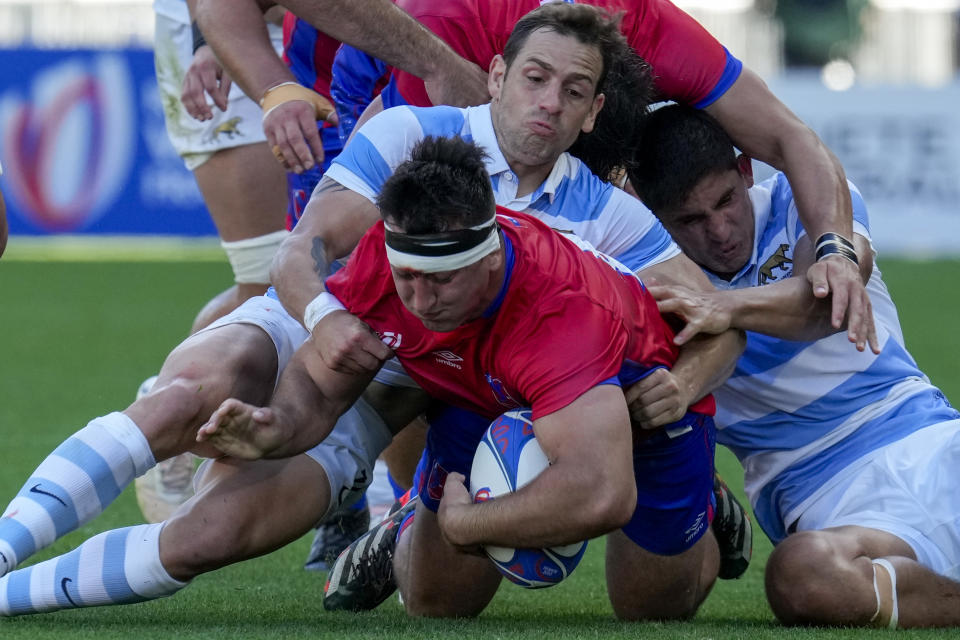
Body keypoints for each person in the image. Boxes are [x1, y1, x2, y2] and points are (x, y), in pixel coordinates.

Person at [0, 5, 743, 617]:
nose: (548, 101)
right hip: (326, 325)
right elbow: (299, 256)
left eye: (573, 91)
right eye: (536, 78)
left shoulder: (604, 216)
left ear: (591, 114)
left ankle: (9, 600)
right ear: (497, 76)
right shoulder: (413, 135)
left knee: (215, 535)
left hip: (409, 397)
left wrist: (682, 384)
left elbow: (714, 319)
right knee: (192, 392)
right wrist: (322, 326)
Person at [200, 134, 725, 622]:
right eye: (407, 279)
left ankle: (710, 505)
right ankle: (409, 518)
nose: (421, 303)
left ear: (491, 259)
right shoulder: (387, 259)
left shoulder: (560, 311)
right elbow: (319, 383)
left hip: (643, 409)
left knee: (651, 610)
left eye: (443, 281)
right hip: (483, 394)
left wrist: (468, 522)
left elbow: (603, 493)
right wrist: (276, 428)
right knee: (435, 602)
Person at [212, 0, 873, 342]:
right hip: (360, 90)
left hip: (511, 125)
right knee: (368, 281)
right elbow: (404, 229)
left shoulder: (650, 23)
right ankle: (381, 484)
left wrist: (836, 247)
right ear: (509, 69)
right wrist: (263, 78)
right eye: (541, 75)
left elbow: (789, 134)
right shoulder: (462, 25)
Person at [629, 104, 960, 628]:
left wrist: (725, 306)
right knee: (799, 576)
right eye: (691, 220)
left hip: (933, 443)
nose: (720, 231)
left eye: (725, 202)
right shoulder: (647, 282)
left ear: (746, 171)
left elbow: (825, 302)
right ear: (651, 215)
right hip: (824, 497)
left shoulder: (804, 198)